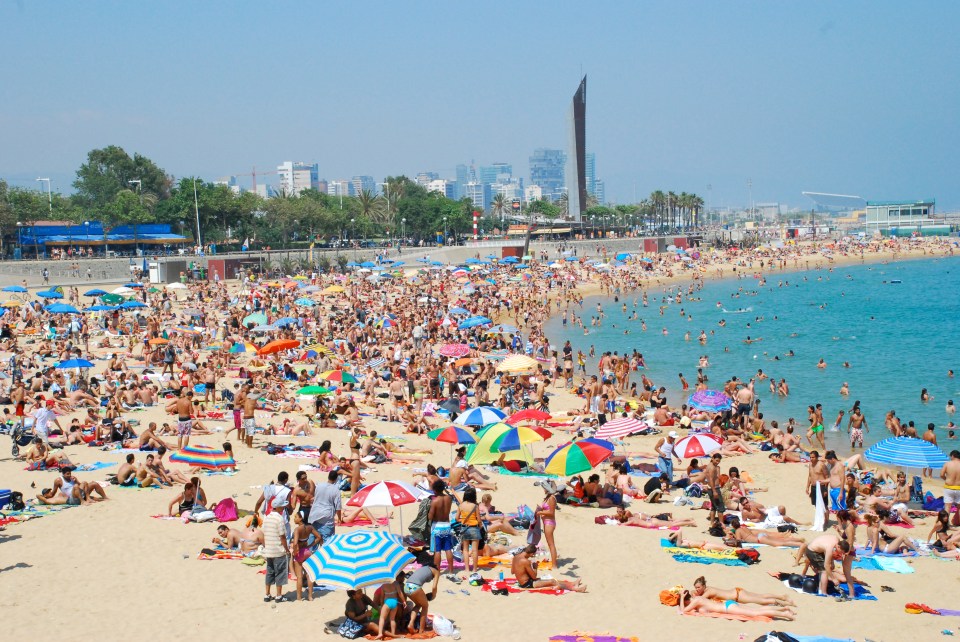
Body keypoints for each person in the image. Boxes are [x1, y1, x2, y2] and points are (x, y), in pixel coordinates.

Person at [796, 533, 853, 597]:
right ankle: (823, 592)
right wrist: (833, 579)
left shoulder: (837, 540)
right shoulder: (829, 547)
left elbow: (827, 554)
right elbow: (826, 565)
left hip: (818, 549)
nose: (840, 554)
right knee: (824, 571)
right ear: (838, 547)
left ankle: (821, 590)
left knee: (823, 570)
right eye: (841, 552)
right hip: (811, 551)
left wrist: (832, 562)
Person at [510, 544, 586, 592]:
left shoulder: (515, 557)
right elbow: (534, 576)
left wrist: (522, 571)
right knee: (553, 582)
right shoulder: (525, 561)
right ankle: (575, 589)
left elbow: (512, 572)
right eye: (532, 555)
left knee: (553, 580)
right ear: (532, 553)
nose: (532, 556)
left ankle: (572, 583)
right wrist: (535, 567)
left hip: (524, 581)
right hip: (527, 584)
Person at [690, 575, 795, 607]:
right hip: (737, 591)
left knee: (761, 601)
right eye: (696, 588)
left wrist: (692, 594)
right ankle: (782, 596)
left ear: (704, 586)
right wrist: (694, 592)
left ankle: (784, 603)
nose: (697, 589)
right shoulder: (708, 589)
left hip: (738, 596)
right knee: (760, 596)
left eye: (698, 587)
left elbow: (699, 600)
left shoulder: (708, 592)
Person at [678, 592, 795, 621]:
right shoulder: (698, 598)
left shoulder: (696, 600)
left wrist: (681, 598)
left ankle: (784, 614)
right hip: (729, 604)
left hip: (729, 608)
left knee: (756, 613)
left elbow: (684, 611)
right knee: (757, 609)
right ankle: (783, 608)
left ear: (687, 600)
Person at [402, 562, 442, 633]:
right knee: (425, 606)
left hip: (406, 586)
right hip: (414, 587)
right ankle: (421, 630)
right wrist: (434, 595)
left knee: (418, 604)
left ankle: (411, 623)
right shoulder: (436, 572)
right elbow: (434, 587)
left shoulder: (424, 568)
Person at [262, 504, 290, 602]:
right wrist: (286, 549)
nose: (283, 509)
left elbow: (264, 533)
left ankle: (267, 594)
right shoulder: (279, 519)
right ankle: (279, 595)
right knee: (280, 572)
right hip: (278, 550)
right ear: (277, 507)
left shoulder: (266, 517)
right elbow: (282, 536)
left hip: (269, 550)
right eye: (282, 507)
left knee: (269, 572)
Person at [290, 513, 321, 601]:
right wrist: (310, 545)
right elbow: (318, 537)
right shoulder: (309, 527)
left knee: (299, 577)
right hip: (307, 551)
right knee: (309, 575)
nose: (294, 518)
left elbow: (295, 543)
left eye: (296, 517)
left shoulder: (297, 529)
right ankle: (310, 596)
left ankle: (299, 597)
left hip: (300, 553)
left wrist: (295, 552)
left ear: (301, 518)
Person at [428, 479, 455, 574]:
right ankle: (451, 570)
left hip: (437, 526)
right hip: (447, 525)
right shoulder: (449, 499)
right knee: (448, 549)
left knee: (437, 550)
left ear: (435, 490)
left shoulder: (434, 501)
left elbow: (430, 517)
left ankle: (437, 571)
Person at [307, 470, 342, 541]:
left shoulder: (319, 486)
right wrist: (339, 518)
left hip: (315, 514)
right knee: (327, 541)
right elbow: (338, 507)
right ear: (336, 479)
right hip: (327, 517)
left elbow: (315, 497)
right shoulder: (336, 490)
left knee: (312, 540)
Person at [535, 480, 561, 568]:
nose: (543, 489)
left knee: (551, 544)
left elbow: (551, 512)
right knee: (550, 543)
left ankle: (554, 565)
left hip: (549, 523)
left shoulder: (552, 498)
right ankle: (554, 563)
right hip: (547, 522)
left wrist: (540, 513)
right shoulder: (548, 497)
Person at [456, 487, 482, 574]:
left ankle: (467, 569)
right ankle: (475, 569)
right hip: (474, 527)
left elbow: (456, 518)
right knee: (474, 550)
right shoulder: (475, 506)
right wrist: (481, 526)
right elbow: (478, 519)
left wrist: (463, 520)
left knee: (465, 550)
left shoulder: (461, 505)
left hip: (464, 528)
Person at [942, 450, 960, 515]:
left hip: (949, 487)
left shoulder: (947, 464)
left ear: (952, 456)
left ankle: (946, 523)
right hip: (959, 488)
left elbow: (941, 474)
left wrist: (947, 479)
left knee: (947, 507)